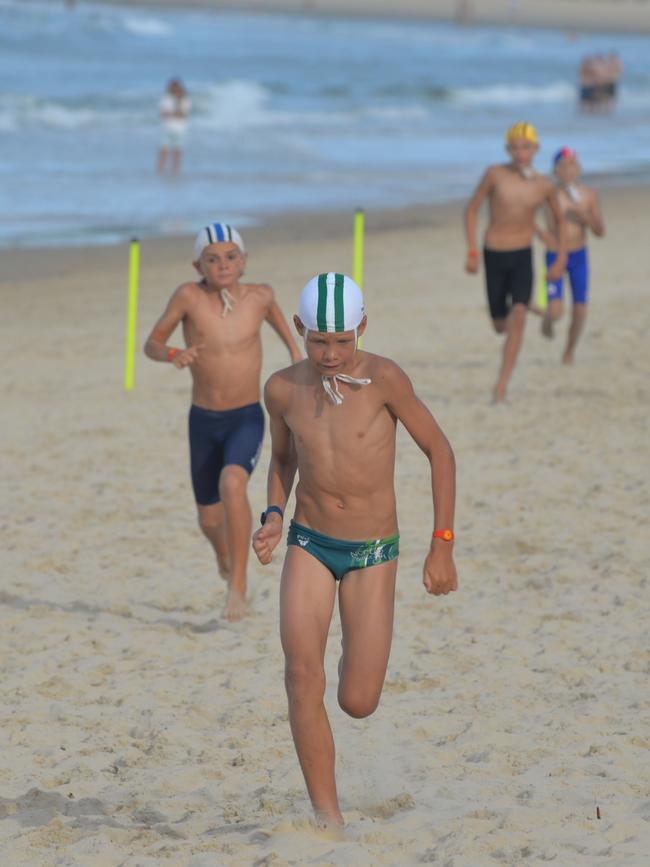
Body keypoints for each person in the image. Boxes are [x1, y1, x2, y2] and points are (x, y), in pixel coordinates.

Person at [252, 273, 457, 826]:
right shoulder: (281, 389)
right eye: (319, 340)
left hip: (372, 552)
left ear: (361, 328)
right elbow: (283, 460)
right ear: (300, 330)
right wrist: (273, 514)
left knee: (358, 702)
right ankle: (328, 816)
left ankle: (353, 655)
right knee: (300, 675)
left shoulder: (386, 378)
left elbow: (439, 450)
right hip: (310, 542)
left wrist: (442, 545)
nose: (331, 353)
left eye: (343, 340)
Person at [144, 223, 302, 621]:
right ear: (198, 264)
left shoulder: (261, 297)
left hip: (246, 416)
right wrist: (173, 354)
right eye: (213, 259)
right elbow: (152, 343)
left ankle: (238, 590)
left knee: (234, 483)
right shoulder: (188, 296)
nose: (223, 264)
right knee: (209, 518)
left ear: (244, 260)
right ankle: (224, 557)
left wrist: (302, 373)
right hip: (203, 420)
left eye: (231, 256)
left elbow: (293, 344)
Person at [463, 121, 567, 403]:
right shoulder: (495, 175)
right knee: (500, 325)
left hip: (522, 255)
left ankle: (501, 387)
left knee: (517, 317)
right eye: (515, 147)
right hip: (494, 253)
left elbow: (559, 221)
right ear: (508, 149)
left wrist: (560, 258)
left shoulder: (544, 184)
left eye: (526, 147)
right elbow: (472, 209)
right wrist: (472, 251)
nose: (520, 153)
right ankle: (532, 307)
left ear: (536, 149)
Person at [536, 147, 605, 364]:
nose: (568, 170)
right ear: (555, 170)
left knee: (580, 309)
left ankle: (569, 351)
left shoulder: (589, 195)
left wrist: (586, 216)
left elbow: (600, 231)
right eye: (563, 166)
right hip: (555, 255)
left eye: (572, 165)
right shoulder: (548, 194)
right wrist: (543, 235)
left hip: (579, 255)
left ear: (579, 168)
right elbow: (524, 216)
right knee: (556, 312)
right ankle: (547, 320)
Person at [157, 78, 190, 176]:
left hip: (180, 129)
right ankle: (160, 170)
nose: (175, 89)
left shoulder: (184, 100)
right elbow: (163, 114)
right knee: (164, 150)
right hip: (167, 128)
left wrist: (177, 105)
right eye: (173, 87)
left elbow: (183, 114)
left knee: (177, 151)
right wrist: (175, 113)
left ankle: (176, 171)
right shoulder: (166, 99)